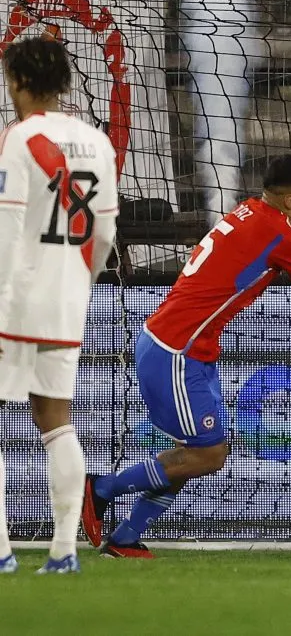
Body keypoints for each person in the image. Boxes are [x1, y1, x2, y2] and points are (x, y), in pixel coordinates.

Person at [79, 155, 291, 558]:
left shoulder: (251, 212)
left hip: (185, 347)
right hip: (177, 351)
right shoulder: (282, 237)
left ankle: (124, 538)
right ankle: (100, 489)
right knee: (208, 453)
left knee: (192, 454)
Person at [0, 37, 119, 574]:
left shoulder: (21, 138)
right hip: (69, 297)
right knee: (56, 423)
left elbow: (7, 227)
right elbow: (105, 231)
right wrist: (78, 281)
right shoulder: (97, 141)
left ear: (17, 82)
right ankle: (64, 550)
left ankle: (2, 552)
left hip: (15, 297)